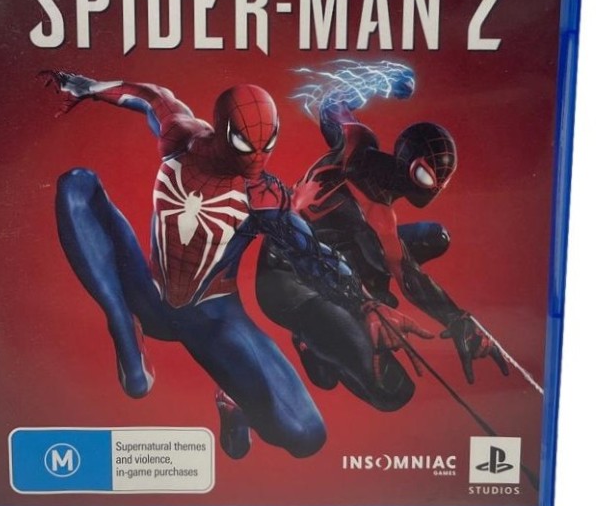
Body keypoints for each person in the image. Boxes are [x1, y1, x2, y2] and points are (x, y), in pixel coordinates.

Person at [40, 71, 357, 460]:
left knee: (307, 436)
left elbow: (311, 253)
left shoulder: (263, 196)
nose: (257, 158)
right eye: (245, 144)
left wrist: (357, 295)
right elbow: (151, 93)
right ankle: (122, 322)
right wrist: (89, 87)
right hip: (150, 295)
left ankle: (233, 402)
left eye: (267, 145)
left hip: (213, 320)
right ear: (223, 131)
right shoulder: (181, 137)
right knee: (77, 184)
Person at [256, 95, 509, 410]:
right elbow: (407, 275)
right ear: (409, 164)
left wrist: (456, 319)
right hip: (286, 278)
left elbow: (331, 107)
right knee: (391, 390)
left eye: (440, 181)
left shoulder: (358, 146)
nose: (432, 188)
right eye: (426, 176)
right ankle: (311, 340)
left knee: (433, 238)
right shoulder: (371, 203)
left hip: (338, 259)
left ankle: (346, 316)